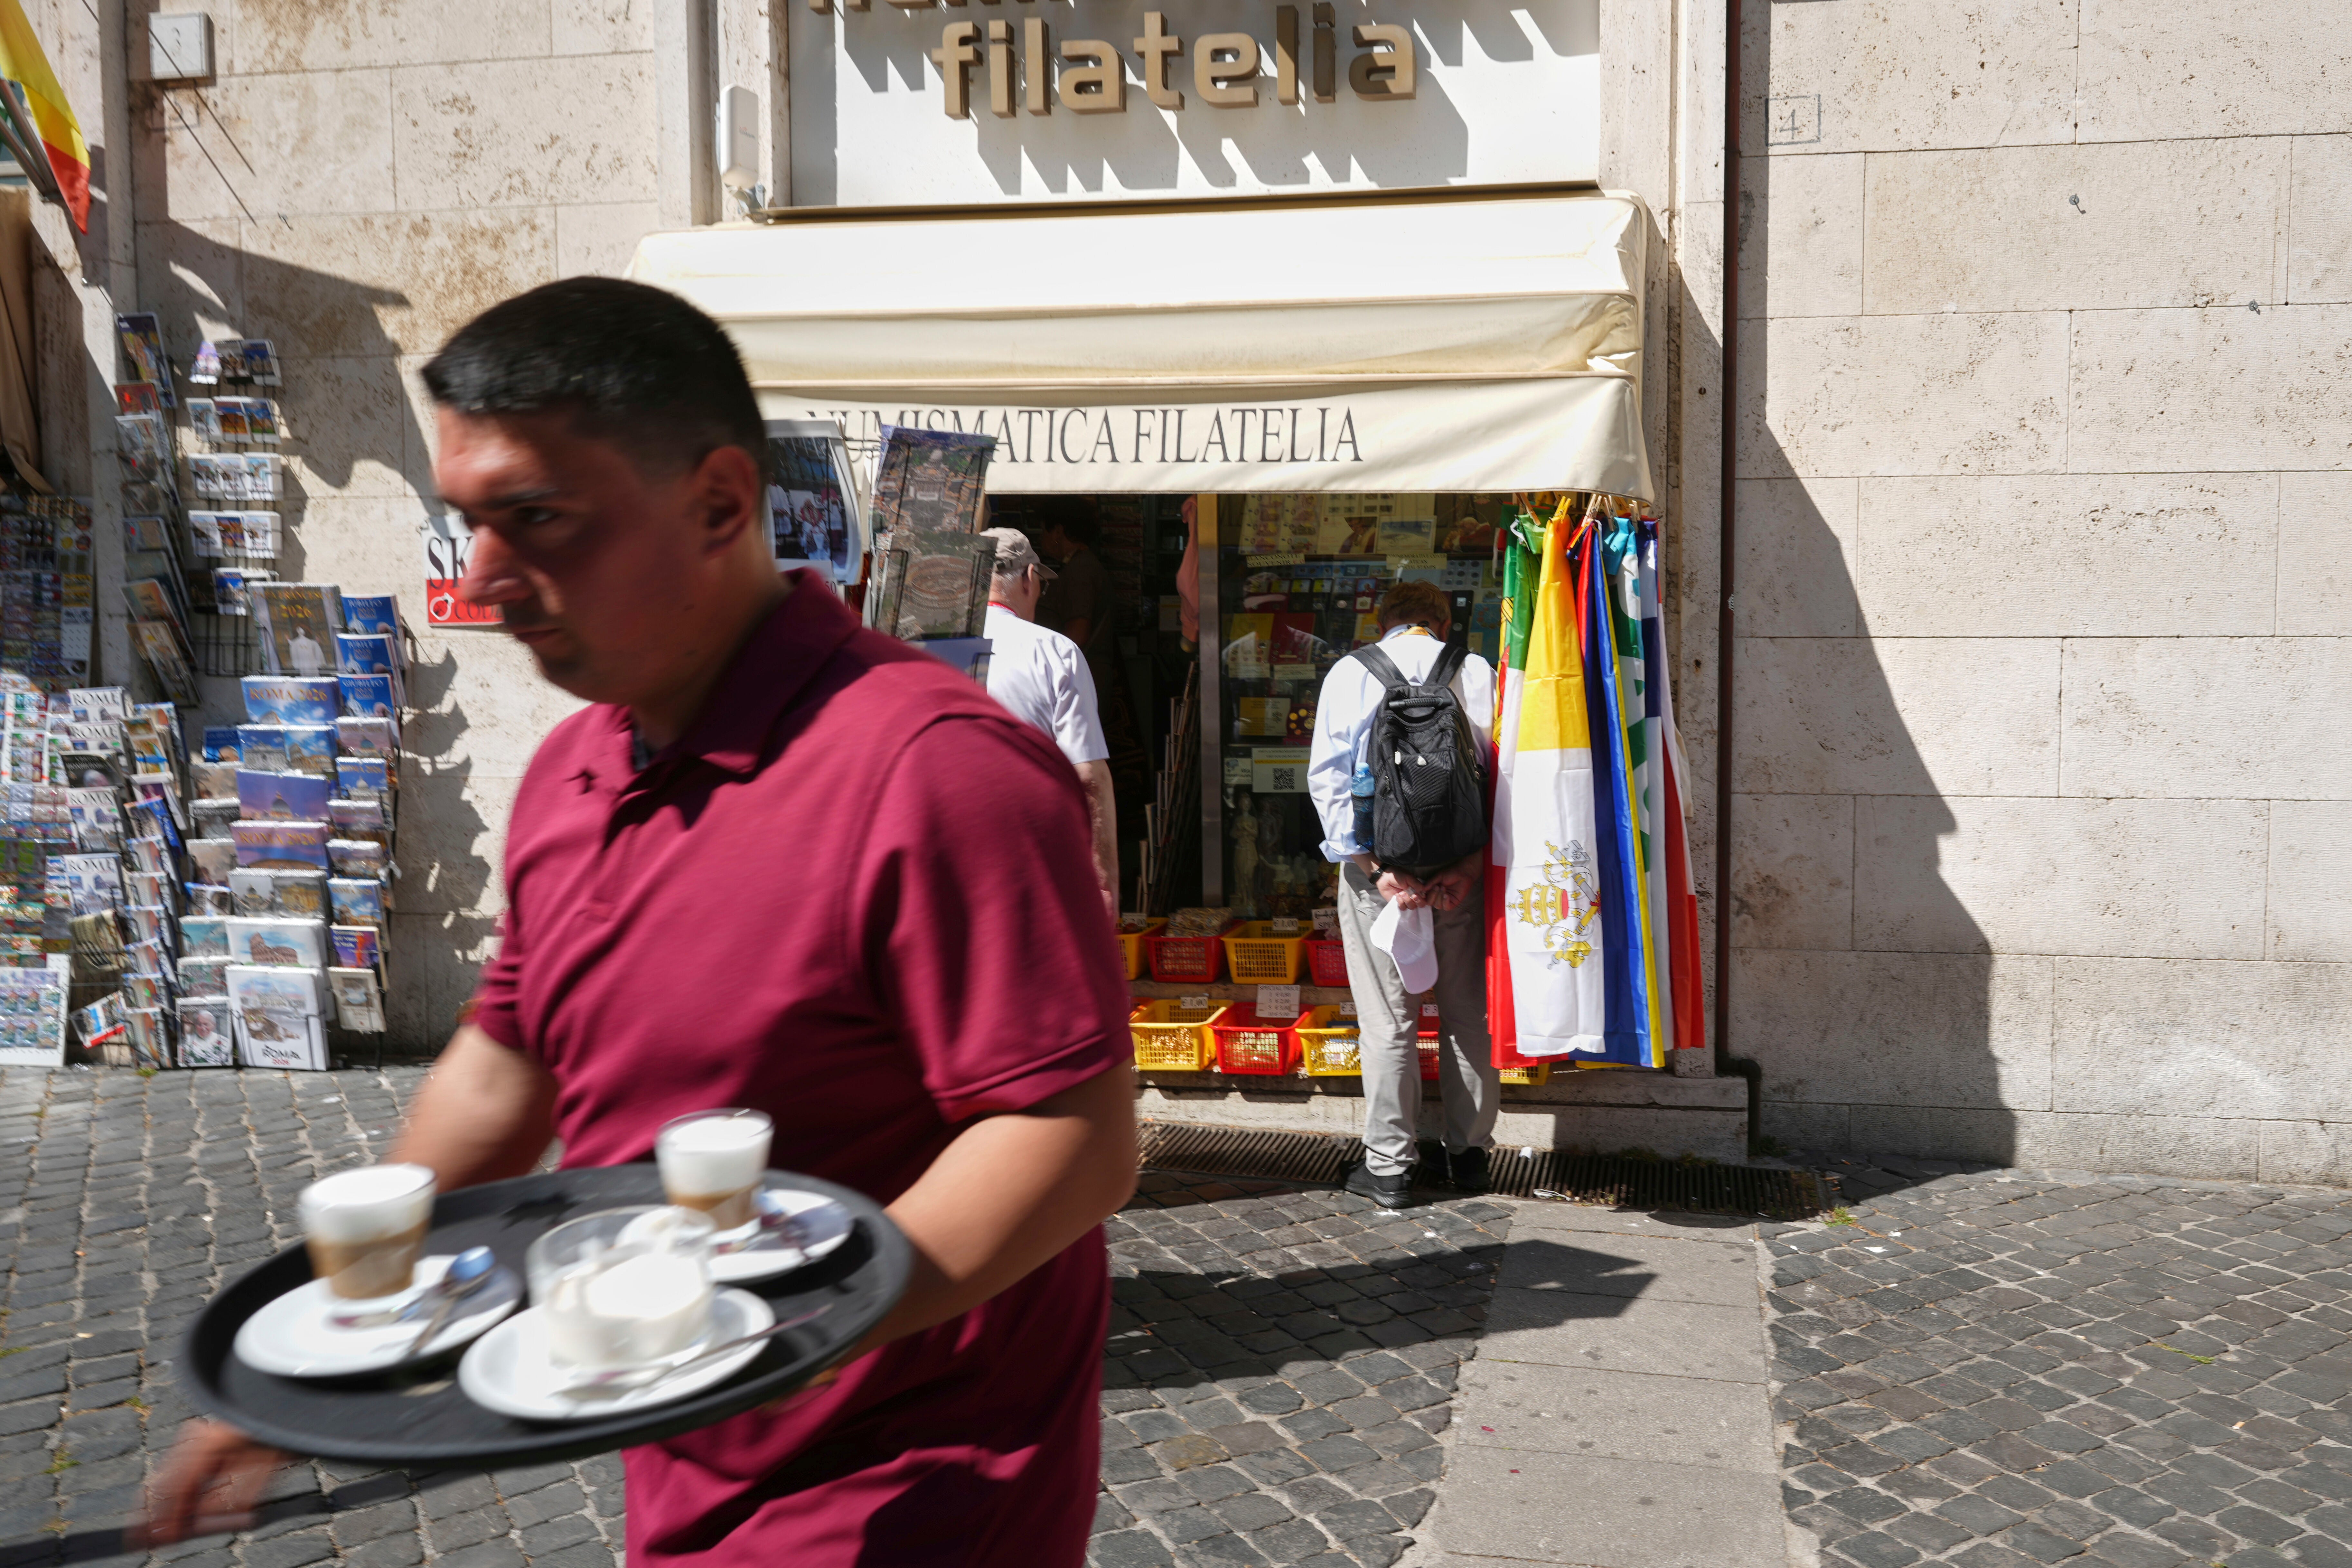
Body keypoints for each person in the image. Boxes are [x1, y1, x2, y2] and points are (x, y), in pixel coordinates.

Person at [134, 278, 1139, 1568]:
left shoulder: (937, 770)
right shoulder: (572, 769)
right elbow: (508, 1058)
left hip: (905, 1498)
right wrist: (329, 1339)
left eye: (537, 519)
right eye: (468, 523)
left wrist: (787, 1336)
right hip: (678, 1466)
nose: (483, 577)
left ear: (718, 502)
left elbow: (1072, 1140)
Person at [1305, 580, 1501, 1209]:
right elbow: (1502, 777)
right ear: (1441, 624)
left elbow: (1328, 780)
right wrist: (1468, 864)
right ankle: (1469, 1155)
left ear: (1382, 622)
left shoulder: (1350, 672)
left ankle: (1389, 1168)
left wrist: (1374, 870)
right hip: (1459, 874)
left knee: (1389, 1023)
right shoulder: (1475, 670)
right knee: (1467, 1016)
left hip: (1380, 876)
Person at [979, 526, 1118, 916]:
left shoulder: (923, 649)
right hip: (1031, 865)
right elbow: (1088, 776)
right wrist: (1103, 884)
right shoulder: (1055, 652)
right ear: (1028, 578)